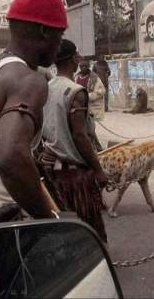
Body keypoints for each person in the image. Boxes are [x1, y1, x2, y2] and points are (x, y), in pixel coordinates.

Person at [0, 0, 67, 223]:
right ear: (44, 32)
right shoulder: (28, 81)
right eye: (59, 35)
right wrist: (49, 219)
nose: (60, 45)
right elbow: (9, 157)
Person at [41, 39, 109, 243]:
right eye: (78, 56)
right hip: (75, 176)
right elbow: (80, 135)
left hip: (53, 170)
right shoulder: (75, 91)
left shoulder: (47, 87)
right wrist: (98, 170)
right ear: (74, 59)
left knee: (63, 225)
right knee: (86, 225)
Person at [76, 59, 106, 151]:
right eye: (82, 66)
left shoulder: (94, 78)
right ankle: (94, 148)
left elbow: (101, 91)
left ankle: (98, 149)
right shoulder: (76, 77)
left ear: (88, 66)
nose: (83, 68)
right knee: (85, 131)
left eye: (85, 66)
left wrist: (87, 96)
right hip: (79, 107)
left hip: (91, 108)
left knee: (90, 130)